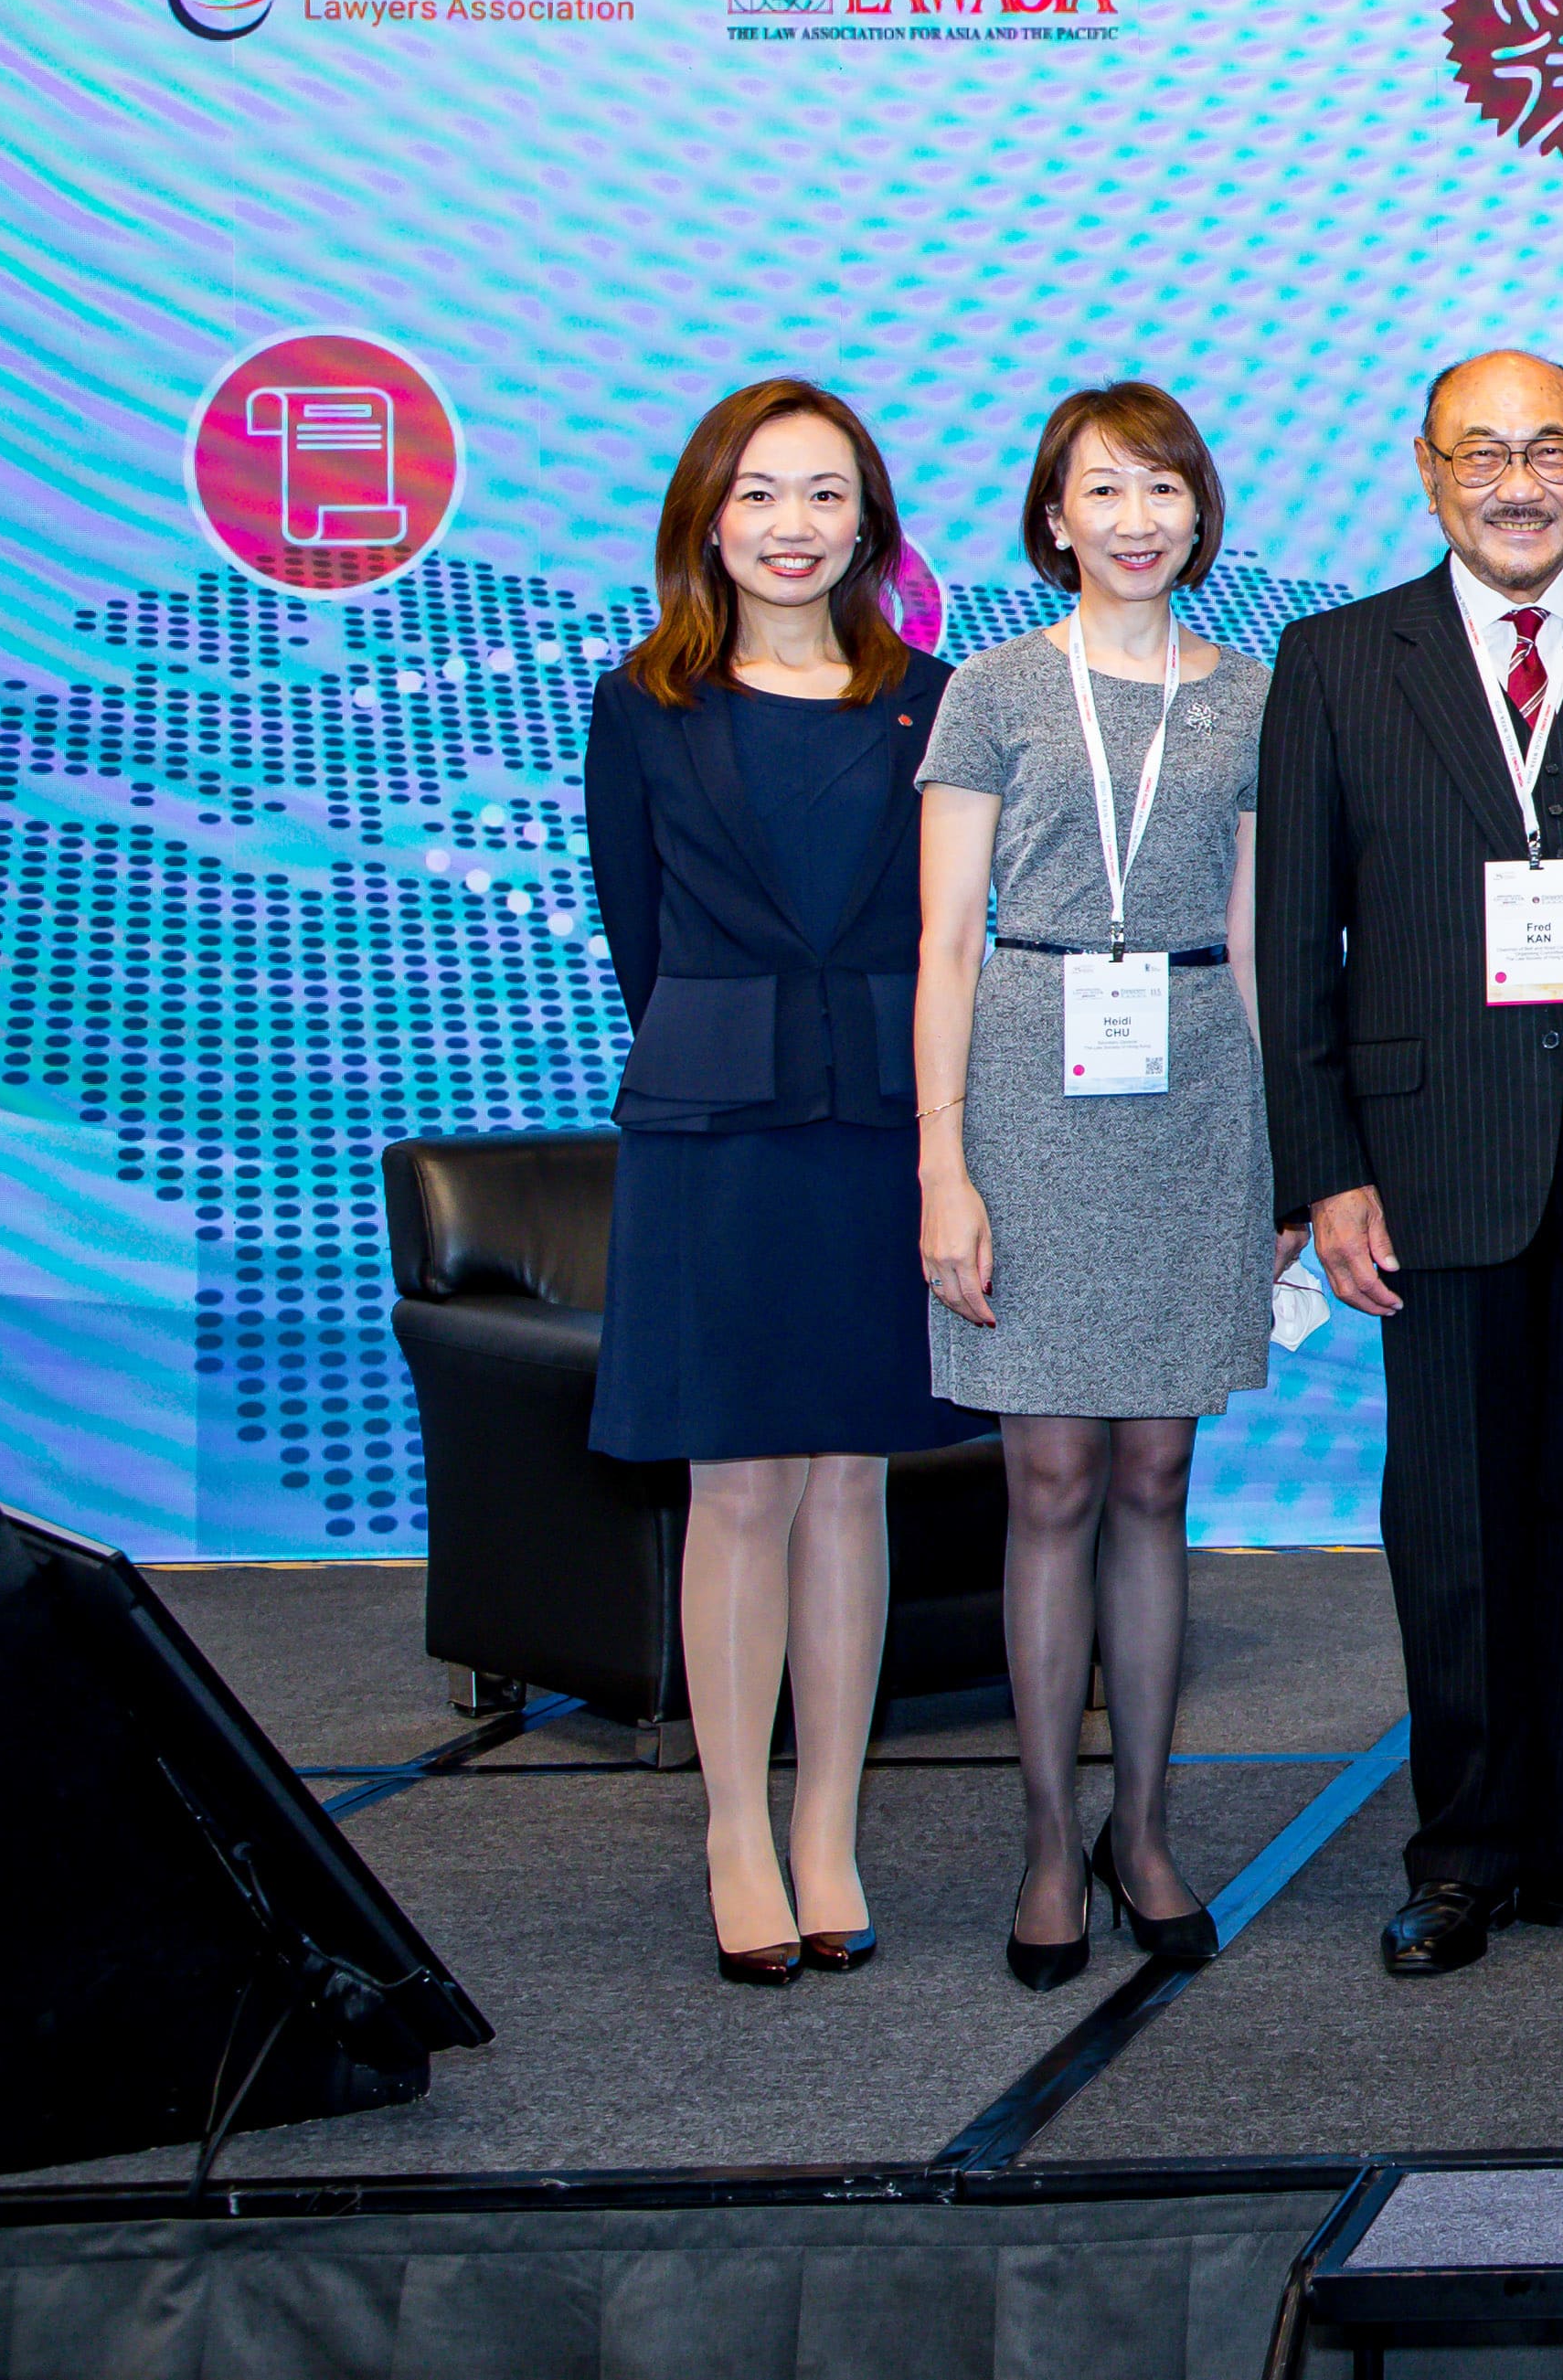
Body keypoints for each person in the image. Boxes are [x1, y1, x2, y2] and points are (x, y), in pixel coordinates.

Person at [1260, 350, 1563, 1970]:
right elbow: (1295, 935)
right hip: (1428, 1151)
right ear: (1427, 470)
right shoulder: (1338, 660)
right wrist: (1322, 1169)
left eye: (1548, 450)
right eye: (1483, 454)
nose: (1518, 483)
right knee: (1454, 1522)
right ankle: (1465, 1850)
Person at [583, 378, 973, 1986]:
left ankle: (829, 1823)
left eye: (824, 494)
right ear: (708, 517)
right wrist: (726, 1050)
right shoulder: (642, 704)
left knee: (849, 1482)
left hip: (880, 1120)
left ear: (869, 525)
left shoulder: (933, 700)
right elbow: (638, 932)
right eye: (759, 492)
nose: (792, 524)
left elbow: (952, 930)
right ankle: (736, 1826)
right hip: (717, 1132)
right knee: (738, 1486)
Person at [912, 382, 1286, 1991]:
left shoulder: (1255, 695)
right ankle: (1047, 1840)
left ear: (1200, 514)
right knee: (1050, 1478)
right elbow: (943, 942)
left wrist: (1290, 1160)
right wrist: (941, 1160)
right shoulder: (992, 688)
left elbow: (1265, 942)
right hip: (1030, 1078)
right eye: (1104, 491)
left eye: (1164, 489)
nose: (1137, 520)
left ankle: (1144, 1827)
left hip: (1196, 1086)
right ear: (1053, 518)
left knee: (1156, 1473)